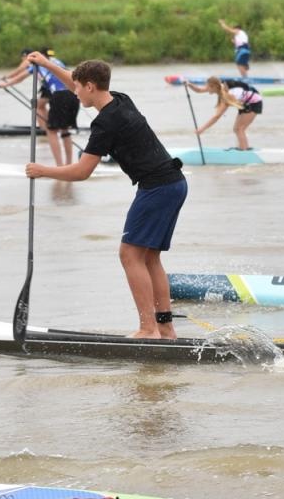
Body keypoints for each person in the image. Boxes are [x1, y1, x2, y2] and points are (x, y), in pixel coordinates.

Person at [21, 54, 188, 339]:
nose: (72, 91)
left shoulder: (105, 124)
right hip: (174, 183)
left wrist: (43, 170)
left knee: (129, 255)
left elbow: (82, 171)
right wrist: (47, 65)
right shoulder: (121, 99)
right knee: (149, 258)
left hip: (157, 188)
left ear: (89, 87)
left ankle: (148, 329)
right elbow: (75, 79)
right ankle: (165, 329)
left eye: (77, 87)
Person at [0, 48, 79, 165]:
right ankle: (69, 164)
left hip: (60, 95)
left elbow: (20, 77)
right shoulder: (57, 61)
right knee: (65, 130)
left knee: (51, 132)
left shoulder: (37, 64)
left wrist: (6, 84)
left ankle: (60, 167)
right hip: (74, 94)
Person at [188, 76, 263, 150]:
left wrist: (202, 129)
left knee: (239, 129)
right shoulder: (218, 86)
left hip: (254, 103)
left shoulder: (226, 96)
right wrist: (189, 84)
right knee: (237, 129)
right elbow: (199, 90)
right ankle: (243, 148)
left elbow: (217, 116)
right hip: (245, 103)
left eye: (207, 87)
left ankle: (244, 151)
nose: (206, 89)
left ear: (213, 87)